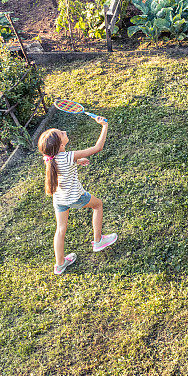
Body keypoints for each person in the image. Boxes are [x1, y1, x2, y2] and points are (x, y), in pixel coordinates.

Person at [38, 117, 116, 275]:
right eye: (62, 133)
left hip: (59, 199)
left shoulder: (50, 158)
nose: (64, 132)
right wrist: (105, 126)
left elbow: (63, 164)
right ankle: (98, 241)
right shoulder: (68, 157)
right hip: (75, 197)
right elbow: (97, 147)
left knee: (60, 229)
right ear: (60, 145)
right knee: (98, 205)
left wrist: (77, 161)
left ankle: (59, 265)